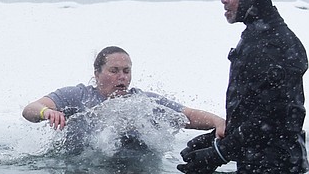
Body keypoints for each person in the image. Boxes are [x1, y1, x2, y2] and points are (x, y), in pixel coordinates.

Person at [178, 0, 307, 174]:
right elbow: (253, 110)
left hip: (274, 173)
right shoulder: (256, 36)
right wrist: (215, 139)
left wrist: (219, 153)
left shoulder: (273, 45)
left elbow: (272, 119)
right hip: (259, 167)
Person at [22, 46, 226, 146]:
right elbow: (30, 109)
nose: (122, 77)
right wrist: (46, 111)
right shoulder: (78, 96)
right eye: (114, 71)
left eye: (126, 71)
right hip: (84, 173)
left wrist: (218, 121)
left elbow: (186, 115)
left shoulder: (143, 101)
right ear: (97, 74)